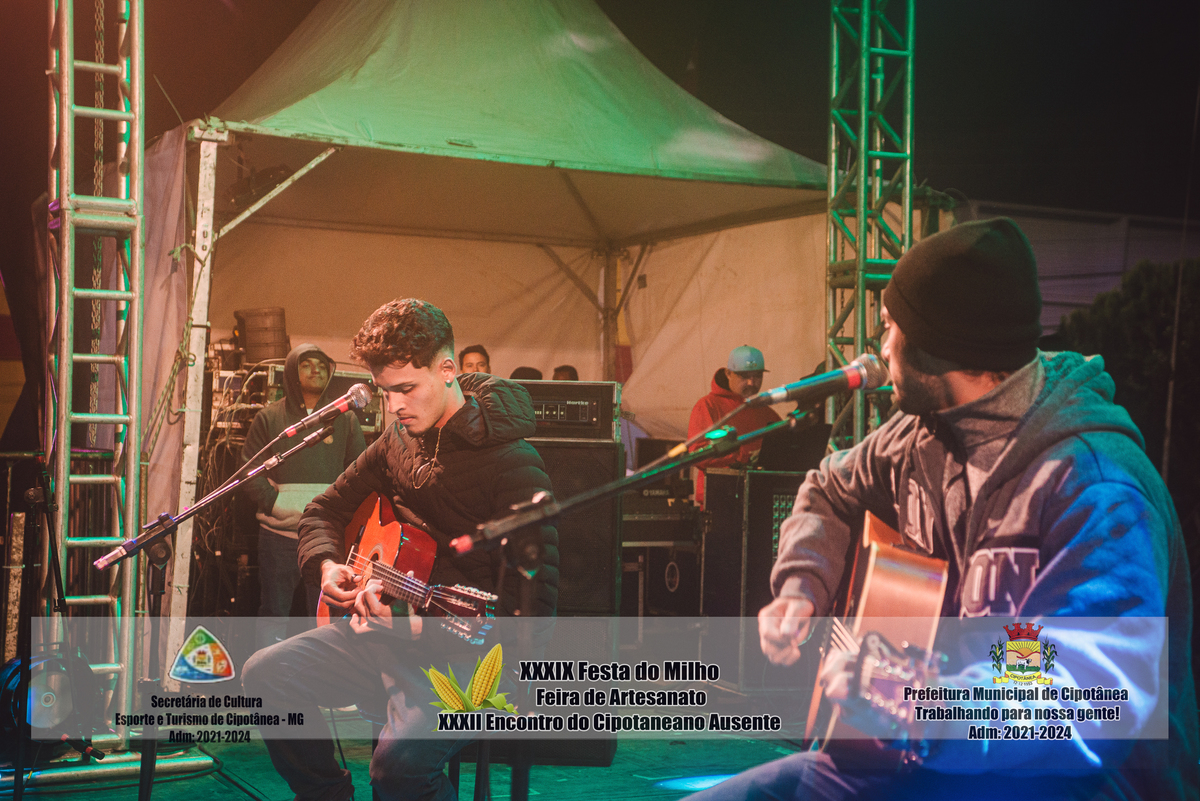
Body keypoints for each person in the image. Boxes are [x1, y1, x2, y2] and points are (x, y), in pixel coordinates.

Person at [687, 218, 1198, 800]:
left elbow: (1093, 697)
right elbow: (829, 487)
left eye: (889, 327)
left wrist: (914, 702)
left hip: (1070, 783)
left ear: (937, 346)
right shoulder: (918, 437)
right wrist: (801, 588)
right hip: (926, 761)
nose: (880, 349)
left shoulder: (1094, 484)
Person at [242, 299, 558, 801]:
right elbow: (323, 510)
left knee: (398, 769)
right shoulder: (397, 441)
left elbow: (533, 610)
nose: (394, 406)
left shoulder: (514, 464)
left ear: (447, 370)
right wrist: (326, 566)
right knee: (265, 674)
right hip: (386, 639)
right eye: (385, 391)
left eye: (406, 389)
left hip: (468, 659)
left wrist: (420, 625)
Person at [241, 343, 366, 650]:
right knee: (274, 612)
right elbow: (249, 471)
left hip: (327, 536)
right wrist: (275, 503)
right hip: (278, 536)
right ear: (291, 372)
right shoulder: (269, 417)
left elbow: (359, 470)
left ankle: (321, 675)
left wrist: (339, 513)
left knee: (325, 614)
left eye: (322, 365)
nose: (316, 370)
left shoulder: (345, 419)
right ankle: (267, 672)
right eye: (307, 364)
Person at [686, 345, 781, 507]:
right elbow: (698, 453)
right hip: (720, 503)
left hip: (760, 500)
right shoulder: (708, 406)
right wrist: (743, 456)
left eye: (758, 376)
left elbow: (784, 446)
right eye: (744, 376)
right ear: (728, 374)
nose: (751, 382)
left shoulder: (765, 411)